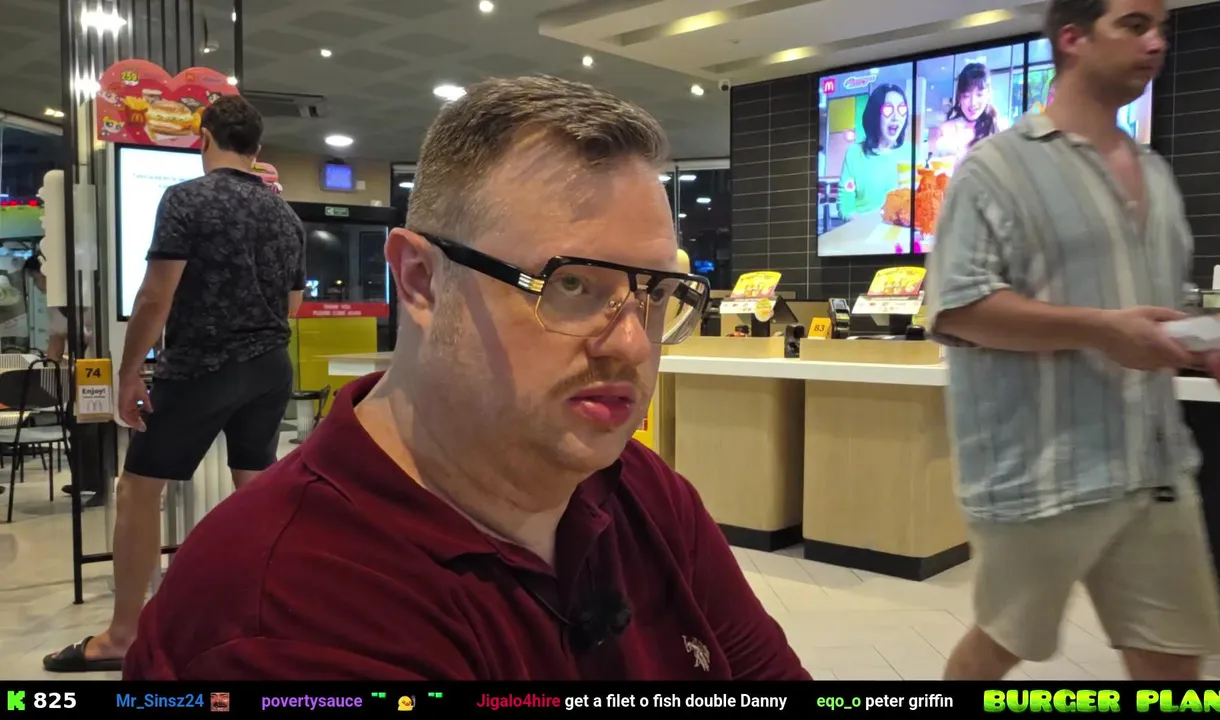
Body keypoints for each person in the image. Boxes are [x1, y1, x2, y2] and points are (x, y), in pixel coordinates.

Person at [122, 75, 809, 681]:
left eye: (656, 293)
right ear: (421, 280)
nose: (631, 343)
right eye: (571, 284)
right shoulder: (285, 612)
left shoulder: (642, 493)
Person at [926, 0, 1220, 682]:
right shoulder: (994, 169)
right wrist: (1101, 331)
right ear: (1073, 38)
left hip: (1154, 465)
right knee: (998, 646)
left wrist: (1217, 349)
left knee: (1173, 660)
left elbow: (1161, 305)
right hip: (1041, 472)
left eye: (1162, 28)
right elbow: (957, 306)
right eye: (1135, 25)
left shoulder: (1156, 174)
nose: (1156, 42)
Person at [43, 95, 305, 672]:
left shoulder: (187, 198)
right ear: (257, 149)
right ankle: (264, 620)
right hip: (270, 366)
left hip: (202, 366)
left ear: (203, 139)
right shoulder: (285, 215)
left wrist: (129, 370)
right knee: (256, 491)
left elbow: (154, 296)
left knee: (139, 490)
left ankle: (122, 636)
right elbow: (292, 305)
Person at [837, 83, 910, 219]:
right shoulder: (854, 153)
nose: (896, 116)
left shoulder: (912, 153)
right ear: (875, 114)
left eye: (901, 109)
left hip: (901, 230)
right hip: (862, 229)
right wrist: (867, 225)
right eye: (888, 110)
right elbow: (845, 206)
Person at [933, 63, 1005, 161]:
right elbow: (936, 166)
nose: (973, 103)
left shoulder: (998, 127)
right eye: (966, 96)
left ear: (988, 95)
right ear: (959, 97)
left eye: (979, 95)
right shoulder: (947, 130)